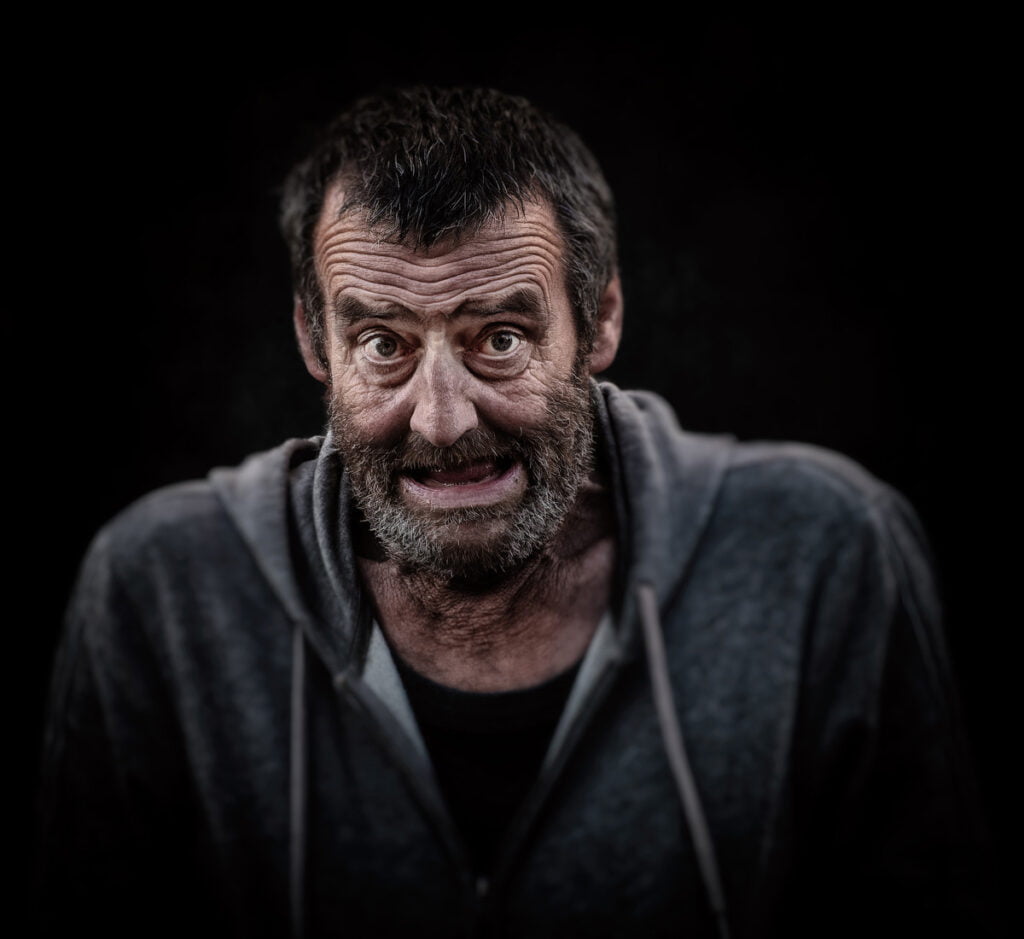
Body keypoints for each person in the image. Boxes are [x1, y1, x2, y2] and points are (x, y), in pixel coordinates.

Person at [37, 86, 998, 938]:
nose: (444, 419)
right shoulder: (161, 590)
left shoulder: (824, 554)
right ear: (313, 339)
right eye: (383, 342)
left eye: (499, 336)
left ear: (602, 319)